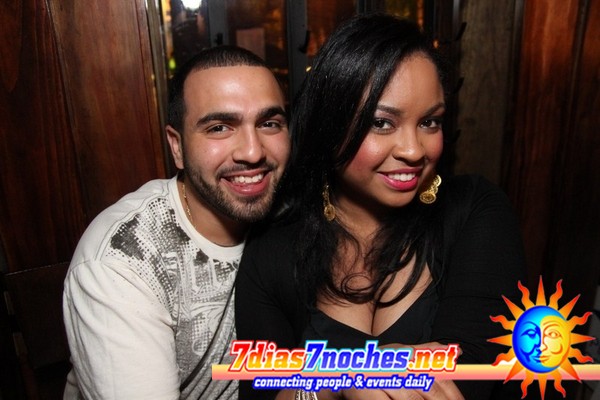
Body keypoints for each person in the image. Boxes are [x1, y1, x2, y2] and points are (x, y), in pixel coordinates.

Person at [235, 14, 526, 400]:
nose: (414, 150)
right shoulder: (273, 249)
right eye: (382, 123)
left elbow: (473, 374)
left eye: (429, 122)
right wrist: (339, 382)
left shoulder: (475, 211)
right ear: (329, 128)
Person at [63, 45, 290, 399]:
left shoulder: (294, 212)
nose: (253, 151)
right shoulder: (123, 261)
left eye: (269, 123)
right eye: (219, 127)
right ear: (177, 147)